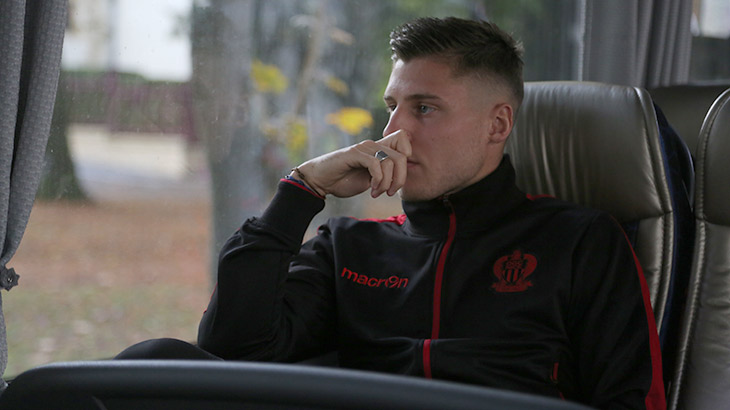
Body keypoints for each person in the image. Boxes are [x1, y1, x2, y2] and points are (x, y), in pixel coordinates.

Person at [122, 17, 666, 409]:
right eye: (392, 108)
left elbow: (632, 399)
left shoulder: (579, 241)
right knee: (153, 361)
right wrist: (302, 189)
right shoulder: (349, 248)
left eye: (424, 108)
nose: (392, 133)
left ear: (497, 125)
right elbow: (230, 351)